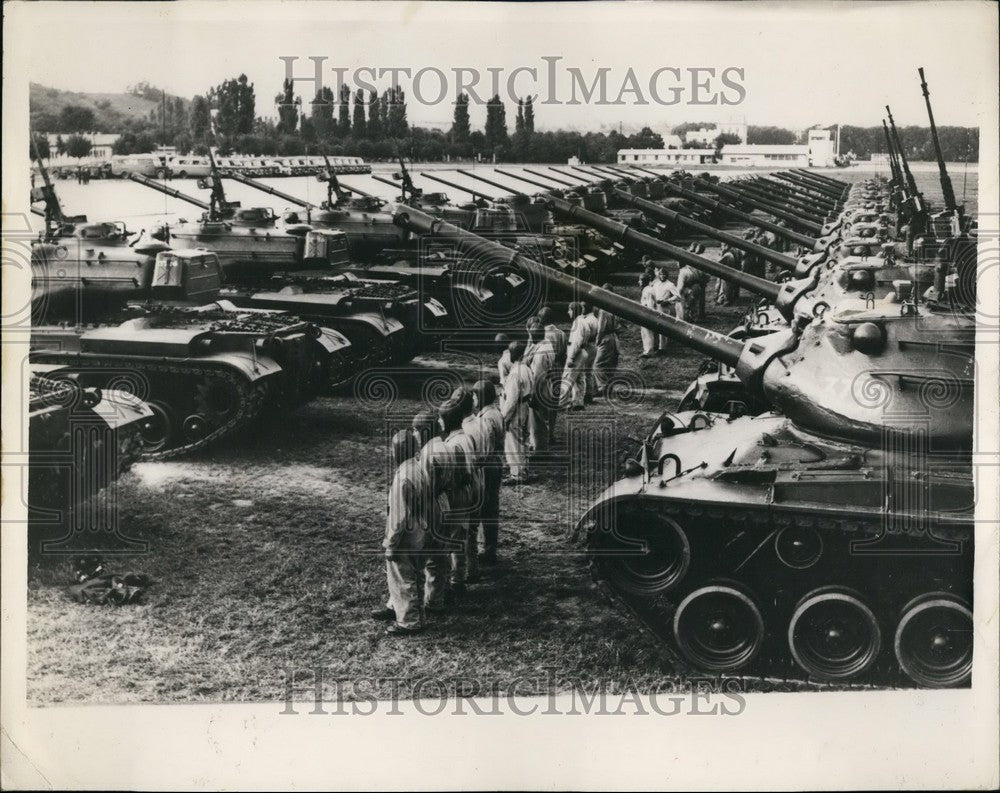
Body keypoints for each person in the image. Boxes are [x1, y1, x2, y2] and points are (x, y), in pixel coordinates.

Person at [371, 429, 431, 636]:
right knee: (417, 575)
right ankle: (418, 614)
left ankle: (409, 622)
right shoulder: (418, 468)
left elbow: (398, 518)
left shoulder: (402, 477)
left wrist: (391, 543)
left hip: (407, 534)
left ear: (399, 452)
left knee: (402, 577)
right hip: (422, 528)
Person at [439, 390, 481, 593]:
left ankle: (457, 580)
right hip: (471, 488)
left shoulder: (453, 444)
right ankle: (465, 573)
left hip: (459, 493)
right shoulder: (465, 437)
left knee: (455, 536)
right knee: (464, 533)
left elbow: (457, 475)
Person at [413, 410, 454, 613]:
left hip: (431, 504)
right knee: (440, 552)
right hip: (444, 501)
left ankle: (431, 601)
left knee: (428, 556)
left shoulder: (429, 452)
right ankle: (438, 597)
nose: (414, 435)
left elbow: (426, 484)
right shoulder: (444, 445)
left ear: (425, 431)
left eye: (416, 430)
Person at [463, 379, 504, 566]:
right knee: (492, 508)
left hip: (487, 464)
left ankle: (486, 549)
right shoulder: (496, 412)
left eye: (474, 396)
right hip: (496, 460)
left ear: (480, 397)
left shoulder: (485, 418)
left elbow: (485, 446)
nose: (472, 399)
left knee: (485, 508)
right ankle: (490, 548)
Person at [501, 341, 534, 483]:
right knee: (523, 439)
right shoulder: (526, 368)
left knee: (514, 441)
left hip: (517, 410)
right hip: (526, 406)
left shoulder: (514, 374)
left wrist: (504, 418)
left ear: (512, 355)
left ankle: (517, 474)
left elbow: (511, 400)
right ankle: (524, 470)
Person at [525, 317, 556, 452]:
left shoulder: (539, 354)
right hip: (546, 383)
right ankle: (538, 445)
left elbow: (537, 376)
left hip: (540, 387)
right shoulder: (547, 343)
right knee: (540, 419)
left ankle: (539, 449)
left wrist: (533, 396)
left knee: (537, 420)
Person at [561, 302, 595, 409]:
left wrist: (570, 357)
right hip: (583, 351)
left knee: (567, 377)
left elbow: (576, 342)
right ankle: (578, 403)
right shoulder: (583, 321)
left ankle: (562, 403)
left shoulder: (578, 323)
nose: (568, 312)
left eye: (570, 310)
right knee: (580, 378)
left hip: (576, 352)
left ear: (574, 310)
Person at [592, 284, 621, 394]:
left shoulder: (603, 309)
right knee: (611, 363)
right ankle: (609, 386)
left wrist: (597, 340)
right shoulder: (615, 306)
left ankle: (602, 387)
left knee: (598, 364)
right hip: (614, 336)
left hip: (606, 337)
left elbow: (601, 328)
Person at [650, 263, 681, 352]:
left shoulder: (670, 284)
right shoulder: (656, 284)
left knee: (663, 327)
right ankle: (655, 344)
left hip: (665, 308)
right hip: (656, 306)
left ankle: (662, 347)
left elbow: (678, 296)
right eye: (660, 274)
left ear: (667, 275)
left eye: (664, 274)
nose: (662, 276)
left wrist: (667, 301)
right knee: (655, 326)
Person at [676, 246, 709, 322]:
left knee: (687, 305)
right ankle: (695, 317)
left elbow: (680, 287)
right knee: (695, 304)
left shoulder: (683, 272)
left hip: (688, 289)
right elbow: (706, 276)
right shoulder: (695, 267)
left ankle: (687, 319)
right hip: (698, 287)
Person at [638, 272, 659, 357]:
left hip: (648, 313)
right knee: (649, 332)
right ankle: (652, 347)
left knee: (647, 332)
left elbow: (650, 304)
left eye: (640, 280)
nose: (638, 282)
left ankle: (648, 351)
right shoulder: (647, 289)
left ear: (643, 281)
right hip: (648, 312)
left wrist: (647, 314)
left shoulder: (648, 290)